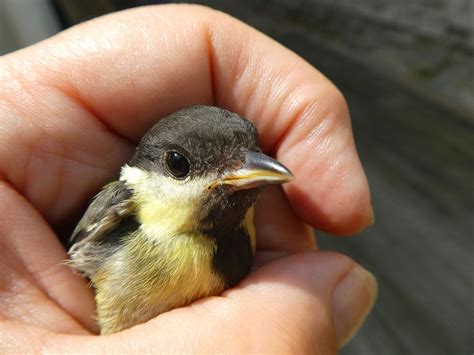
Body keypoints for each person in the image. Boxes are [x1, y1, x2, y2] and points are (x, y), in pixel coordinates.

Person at [0, 4, 376, 353]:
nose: (234, 176)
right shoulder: (123, 211)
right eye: (181, 167)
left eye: (247, 159)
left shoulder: (244, 234)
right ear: (143, 175)